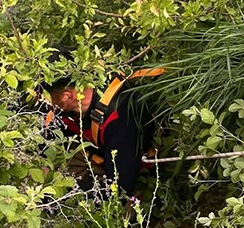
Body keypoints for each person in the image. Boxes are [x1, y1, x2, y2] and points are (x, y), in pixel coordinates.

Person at [42, 66, 165, 198]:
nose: (43, 103)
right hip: (94, 150)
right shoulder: (92, 79)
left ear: (67, 96)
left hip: (123, 164)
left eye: (46, 99)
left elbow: (119, 190)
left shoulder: (121, 122)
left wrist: (57, 189)